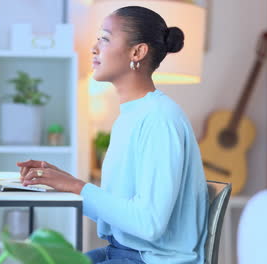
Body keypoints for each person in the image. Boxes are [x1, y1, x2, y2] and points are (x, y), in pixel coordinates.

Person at [17, 6, 209, 264]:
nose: (94, 48)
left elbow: (148, 223)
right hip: (123, 251)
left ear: (137, 52)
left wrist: (77, 187)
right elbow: (122, 214)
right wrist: (63, 181)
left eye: (105, 39)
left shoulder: (159, 119)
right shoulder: (132, 115)